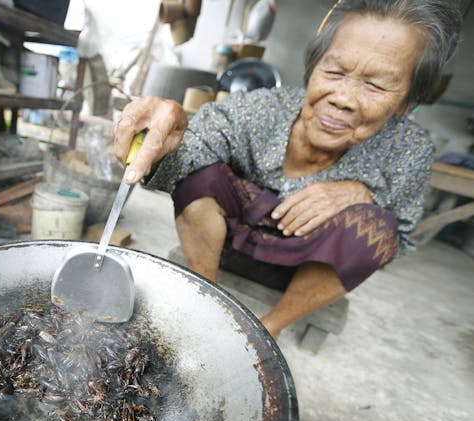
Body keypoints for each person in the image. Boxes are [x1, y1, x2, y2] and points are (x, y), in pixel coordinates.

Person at [113, 0, 461, 340]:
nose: (343, 97)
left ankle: (271, 327)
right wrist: (163, 139)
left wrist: (364, 193)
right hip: (221, 245)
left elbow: (402, 233)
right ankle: (205, 300)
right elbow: (187, 156)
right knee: (200, 174)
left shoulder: (409, 149)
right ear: (314, 67)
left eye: (376, 85)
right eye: (335, 71)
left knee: (377, 231)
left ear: (406, 102)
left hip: (305, 269)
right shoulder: (261, 109)